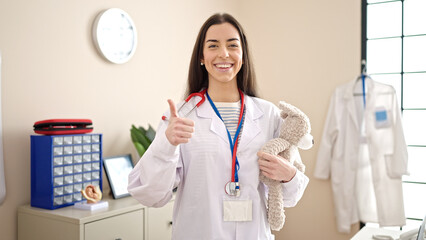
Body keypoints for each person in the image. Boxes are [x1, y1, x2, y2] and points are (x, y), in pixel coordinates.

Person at [128, 13, 309, 240]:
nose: (224, 53)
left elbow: (291, 197)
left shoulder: (269, 114)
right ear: (202, 57)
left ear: (242, 56)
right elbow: (152, 196)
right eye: (213, 45)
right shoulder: (181, 115)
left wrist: (289, 175)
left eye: (232, 45)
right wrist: (167, 143)